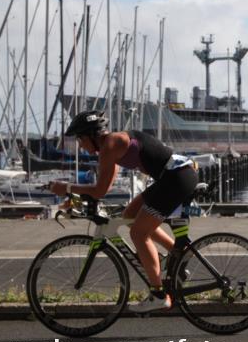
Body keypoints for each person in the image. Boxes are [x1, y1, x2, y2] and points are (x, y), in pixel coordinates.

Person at [49, 110, 198, 311]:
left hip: (176, 178)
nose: (80, 145)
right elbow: (102, 189)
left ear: (90, 136)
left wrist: (66, 188)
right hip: (172, 176)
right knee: (130, 215)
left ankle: (159, 295)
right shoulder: (111, 146)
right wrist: (76, 197)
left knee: (138, 233)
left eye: (79, 139)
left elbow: (99, 191)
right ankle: (177, 253)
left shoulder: (111, 145)